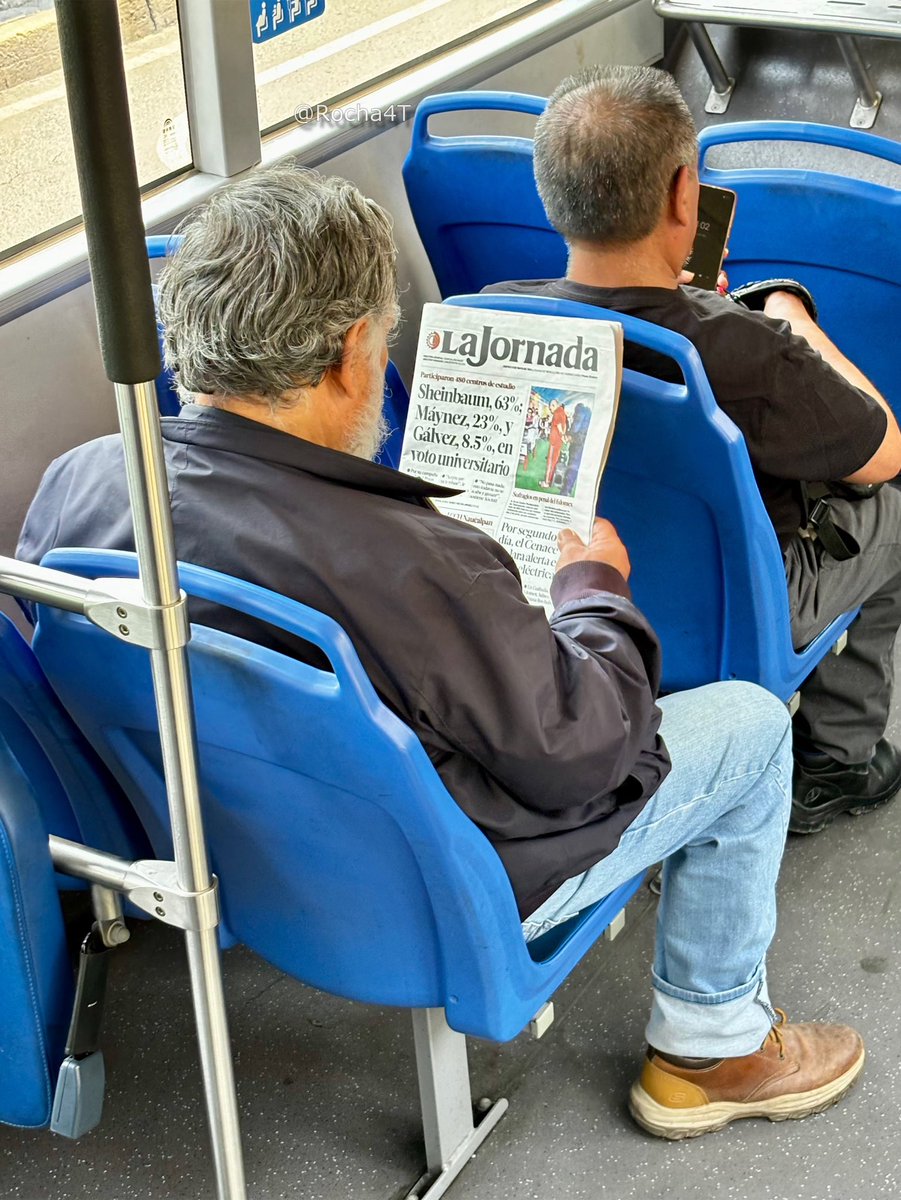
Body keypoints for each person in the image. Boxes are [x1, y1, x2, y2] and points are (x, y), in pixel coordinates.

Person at [18, 165, 864, 1140]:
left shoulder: (78, 483)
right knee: (754, 726)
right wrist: (597, 593)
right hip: (442, 883)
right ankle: (711, 1047)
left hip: (223, 848)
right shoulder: (419, 566)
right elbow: (584, 760)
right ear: (348, 356)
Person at [485, 64, 901, 835]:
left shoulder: (496, 310)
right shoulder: (743, 349)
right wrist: (789, 318)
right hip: (741, 596)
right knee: (893, 514)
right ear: (685, 196)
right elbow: (882, 451)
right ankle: (837, 761)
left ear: (551, 196)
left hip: (567, 574)